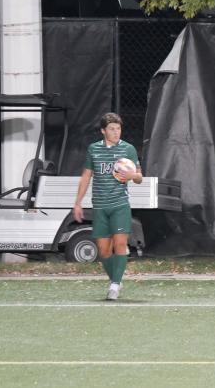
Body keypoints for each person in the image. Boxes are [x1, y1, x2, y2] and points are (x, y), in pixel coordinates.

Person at [73, 113, 142, 300]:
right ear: (103, 131)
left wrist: (131, 176)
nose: (116, 132)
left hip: (120, 204)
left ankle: (114, 285)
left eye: (118, 128)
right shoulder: (94, 149)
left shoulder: (128, 149)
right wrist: (77, 203)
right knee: (103, 250)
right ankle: (117, 279)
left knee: (120, 244)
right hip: (100, 206)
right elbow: (86, 176)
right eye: (112, 129)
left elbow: (139, 178)